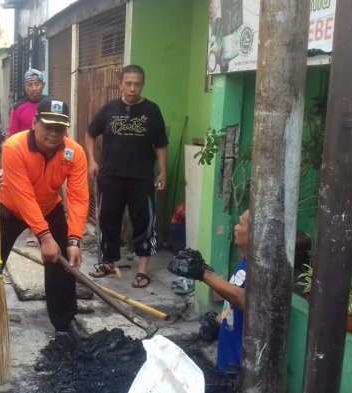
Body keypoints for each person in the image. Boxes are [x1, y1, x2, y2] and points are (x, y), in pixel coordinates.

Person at [0, 97, 91, 341]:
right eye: (48, 126)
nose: (54, 134)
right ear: (34, 123)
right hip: (10, 206)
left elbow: (78, 198)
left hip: (48, 207)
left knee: (62, 261)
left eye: (60, 128)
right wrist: (44, 237)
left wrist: (74, 239)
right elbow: (23, 195)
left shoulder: (73, 153)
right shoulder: (14, 147)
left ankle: (65, 319)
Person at [85, 64, 168, 288]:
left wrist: (162, 171)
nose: (132, 88)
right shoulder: (109, 109)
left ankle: (143, 269)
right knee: (107, 221)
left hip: (141, 178)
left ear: (142, 85)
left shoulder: (152, 111)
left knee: (144, 223)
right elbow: (90, 134)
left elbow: (161, 144)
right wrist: (92, 160)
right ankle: (108, 263)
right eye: (128, 84)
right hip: (110, 175)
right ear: (121, 84)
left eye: (137, 84)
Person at [168, 209, 249, 379]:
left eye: (241, 224)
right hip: (225, 362)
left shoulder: (256, 270)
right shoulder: (244, 264)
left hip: (239, 372)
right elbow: (237, 306)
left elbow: (244, 299)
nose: (235, 227)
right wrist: (220, 318)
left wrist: (203, 273)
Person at [7, 68, 48, 247]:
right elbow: (12, 133)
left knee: (43, 195)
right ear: (25, 87)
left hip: (47, 155)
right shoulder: (18, 107)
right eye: (30, 85)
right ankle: (30, 228)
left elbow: (62, 131)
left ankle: (36, 230)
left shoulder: (50, 104)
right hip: (24, 157)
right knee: (26, 194)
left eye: (37, 84)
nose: (34, 88)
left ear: (43, 85)